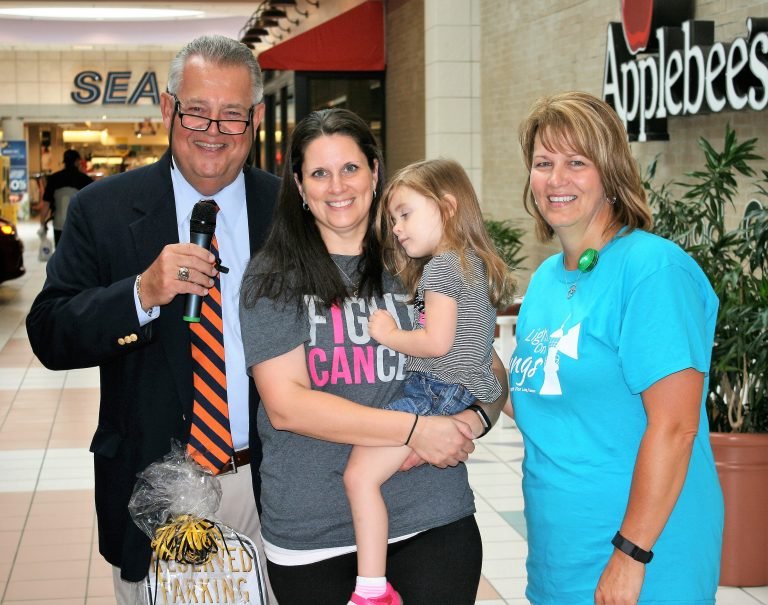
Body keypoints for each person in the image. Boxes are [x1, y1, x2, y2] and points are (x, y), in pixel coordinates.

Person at [26, 35, 279, 603]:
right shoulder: (105, 209)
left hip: (276, 489)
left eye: (231, 116)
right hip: (157, 492)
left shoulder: (289, 211)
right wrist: (140, 294)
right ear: (168, 109)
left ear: (256, 119)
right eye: (197, 112)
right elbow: (48, 332)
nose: (213, 132)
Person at [239, 108, 508, 605]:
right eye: (319, 172)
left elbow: (487, 367)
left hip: (430, 516)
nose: (337, 186)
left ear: (375, 172)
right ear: (298, 185)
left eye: (351, 168)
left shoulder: (419, 262)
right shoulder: (272, 278)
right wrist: (415, 430)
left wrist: (469, 422)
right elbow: (287, 406)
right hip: (314, 532)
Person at [509, 91, 723, 604]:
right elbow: (544, 402)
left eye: (576, 162)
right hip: (559, 552)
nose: (556, 179)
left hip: (643, 557)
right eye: (543, 163)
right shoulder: (544, 281)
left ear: (610, 173)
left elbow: (675, 427)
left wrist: (631, 555)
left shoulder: (652, 271)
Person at [344, 158, 514, 604]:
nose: (398, 228)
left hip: (435, 391)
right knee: (380, 469)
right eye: (393, 219)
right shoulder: (470, 262)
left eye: (405, 214)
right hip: (459, 391)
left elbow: (437, 343)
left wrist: (388, 335)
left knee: (359, 477)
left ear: (448, 207)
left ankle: (370, 590)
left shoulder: (440, 268)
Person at [40, 148, 93, 246]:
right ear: (77, 162)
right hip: (79, 224)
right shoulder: (85, 180)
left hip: (59, 224)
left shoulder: (53, 179)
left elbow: (46, 204)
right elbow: (91, 205)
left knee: (61, 252)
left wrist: (42, 223)